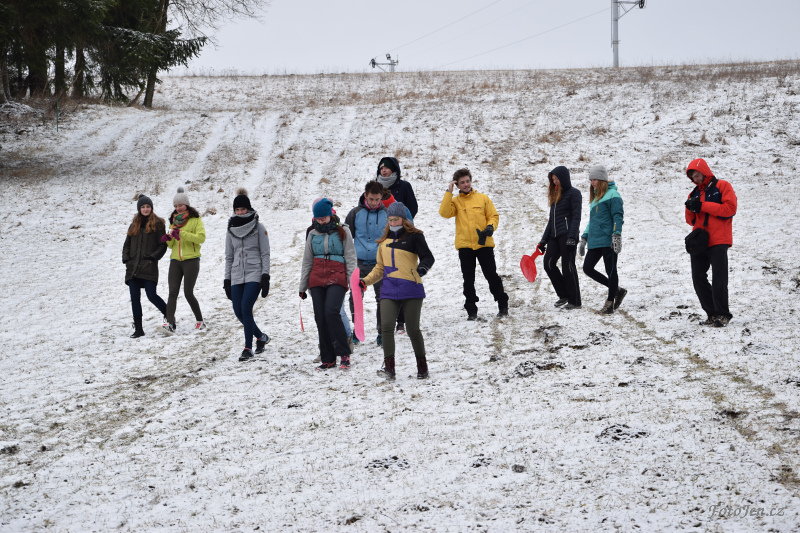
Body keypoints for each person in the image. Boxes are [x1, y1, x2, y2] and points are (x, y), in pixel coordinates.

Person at [361, 202, 434, 380]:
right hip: (389, 289)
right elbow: (380, 268)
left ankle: (422, 367)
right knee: (386, 327)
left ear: (403, 219)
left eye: (396, 219)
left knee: (412, 329)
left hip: (411, 287)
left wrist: (422, 269)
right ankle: (389, 368)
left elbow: (428, 257)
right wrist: (365, 281)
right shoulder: (384, 241)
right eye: (390, 219)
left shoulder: (415, 236)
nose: (393, 222)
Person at [345, 181, 414, 346]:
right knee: (355, 298)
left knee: (383, 299)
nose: (374, 203)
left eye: (377, 199)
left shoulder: (388, 213)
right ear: (365, 196)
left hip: (380, 263)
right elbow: (346, 238)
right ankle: (357, 329)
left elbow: (408, 225)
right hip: (358, 263)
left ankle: (382, 332)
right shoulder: (355, 213)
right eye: (371, 199)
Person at [439, 168, 509, 319]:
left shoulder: (483, 198)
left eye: (467, 181)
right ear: (457, 185)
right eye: (462, 182)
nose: (466, 184)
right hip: (465, 246)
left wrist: (490, 227)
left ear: (471, 181)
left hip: (484, 244)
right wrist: (448, 192)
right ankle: (471, 310)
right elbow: (444, 213)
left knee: (491, 275)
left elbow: (493, 216)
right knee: (468, 279)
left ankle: (503, 305)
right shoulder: (455, 202)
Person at [299, 198, 357, 370]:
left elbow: (351, 257)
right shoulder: (312, 234)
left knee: (331, 311)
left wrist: (353, 280)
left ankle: (344, 353)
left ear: (331, 215)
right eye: (318, 218)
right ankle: (328, 358)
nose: (321, 220)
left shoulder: (343, 231)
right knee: (320, 316)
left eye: (324, 217)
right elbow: (307, 261)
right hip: (316, 277)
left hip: (337, 275)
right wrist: (302, 287)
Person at [684, 158, 737, 327]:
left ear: (704, 171)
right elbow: (690, 221)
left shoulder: (723, 186)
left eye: (697, 174)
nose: (695, 179)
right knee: (697, 277)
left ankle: (723, 315)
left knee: (719, 278)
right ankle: (712, 313)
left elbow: (729, 210)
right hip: (700, 240)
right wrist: (690, 207)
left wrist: (703, 205)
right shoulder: (694, 193)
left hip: (719, 239)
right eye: (692, 177)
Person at [224, 188, 271, 362]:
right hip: (237, 274)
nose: (240, 212)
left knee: (246, 308)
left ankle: (248, 348)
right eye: (237, 210)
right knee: (237, 310)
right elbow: (229, 256)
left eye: (243, 209)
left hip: (254, 272)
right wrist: (227, 279)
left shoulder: (259, 227)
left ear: (249, 209)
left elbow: (265, 253)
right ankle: (261, 336)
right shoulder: (230, 229)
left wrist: (265, 276)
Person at [579, 165, 627, 314]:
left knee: (610, 270)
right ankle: (617, 290)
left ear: (602, 180)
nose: (592, 182)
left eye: (594, 179)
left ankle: (609, 303)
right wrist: (584, 238)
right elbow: (592, 221)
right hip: (595, 240)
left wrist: (616, 234)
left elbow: (617, 216)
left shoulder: (613, 195)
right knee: (587, 268)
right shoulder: (595, 198)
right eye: (591, 180)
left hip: (608, 239)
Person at [161, 187, 206, 334]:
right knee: (172, 292)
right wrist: (169, 239)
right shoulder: (173, 221)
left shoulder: (195, 220)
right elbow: (172, 245)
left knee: (188, 292)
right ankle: (169, 323)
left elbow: (201, 238)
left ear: (186, 204)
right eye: (175, 206)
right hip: (175, 261)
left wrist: (183, 233)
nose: (178, 208)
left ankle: (200, 321)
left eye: (180, 205)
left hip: (191, 260)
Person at [122, 194, 168, 338]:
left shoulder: (158, 223)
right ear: (139, 208)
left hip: (149, 266)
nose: (146, 209)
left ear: (151, 208)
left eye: (148, 206)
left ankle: (169, 316)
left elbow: (163, 245)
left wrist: (153, 257)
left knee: (151, 295)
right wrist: (126, 260)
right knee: (134, 298)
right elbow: (126, 245)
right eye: (143, 207)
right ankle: (139, 329)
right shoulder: (133, 225)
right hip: (133, 268)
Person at [538, 166, 582, 310]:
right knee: (548, 263)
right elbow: (551, 221)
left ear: (564, 178)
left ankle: (575, 301)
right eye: (553, 180)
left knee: (568, 267)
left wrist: (572, 236)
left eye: (557, 179)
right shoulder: (555, 195)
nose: (555, 182)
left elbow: (576, 217)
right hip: (554, 237)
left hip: (567, 235)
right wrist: (543, 240)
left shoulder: (574, 193)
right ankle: (563, 295)